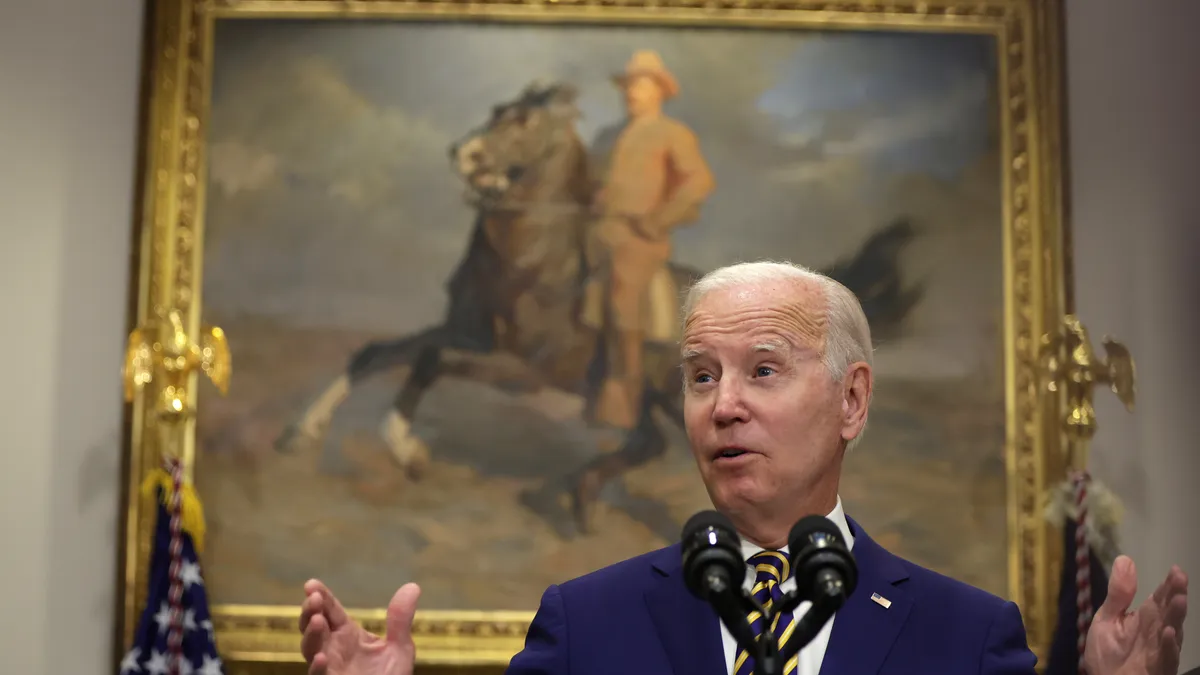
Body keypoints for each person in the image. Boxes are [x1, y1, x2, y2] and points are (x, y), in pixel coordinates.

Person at [299, 261, 1189, 675]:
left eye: (763, 369)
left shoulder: (967, 637)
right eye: (698, 376)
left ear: (852, 401)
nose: (722, 403)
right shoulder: (584, 626)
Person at [581, 49, 716, 431]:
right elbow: (590, 181)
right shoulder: (607, 136)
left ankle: (624, 399)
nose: (632, 92)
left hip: (639, 239)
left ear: (659, 91)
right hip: (596, 232)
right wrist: (593, 196)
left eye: (641, 84)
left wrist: (658, 220)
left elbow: (698, 183)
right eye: (629, 85)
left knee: (623, 299)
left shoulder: (673, 134)